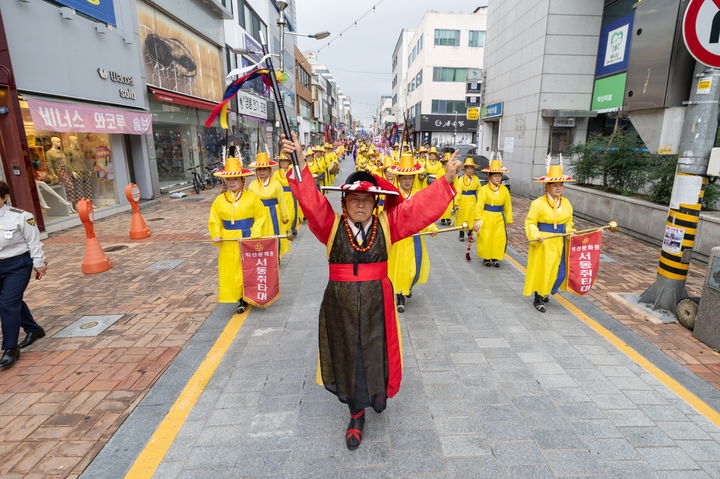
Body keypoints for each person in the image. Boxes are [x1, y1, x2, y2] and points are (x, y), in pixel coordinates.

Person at [282, 132, 461, 450]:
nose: (360, 204)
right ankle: (355, 413)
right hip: (341, 304)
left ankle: (378, 393)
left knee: (375, 349)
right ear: (344, 202)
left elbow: (419, 208)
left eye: (367, 199)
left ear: (376, 203)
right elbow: (310, 200)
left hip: (378, 301)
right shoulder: (331, 225)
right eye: (354, 199)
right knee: (349, 353)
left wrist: (446, 180)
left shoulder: (389, 224)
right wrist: (297, 161)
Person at [208, 158, 267, 314]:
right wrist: (216, 234)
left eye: (235, 179)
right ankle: (238, 296)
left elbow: (261, 216)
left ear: (242, 180)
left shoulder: (252, 198)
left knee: (248, 269)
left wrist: (256, 232)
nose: (232, 182)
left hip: (247, 238)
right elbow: (214, 219)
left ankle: (246, 297)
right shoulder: (219, 200)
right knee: (232, 269)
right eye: (229, 179)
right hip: (228, 240)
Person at [0, 181, 48, 369]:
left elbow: (34, 241)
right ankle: (34, 329)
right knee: (9, 301)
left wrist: (39, 263)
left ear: (5, 198)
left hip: (17, 265)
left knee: (6, 304)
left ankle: (10, 348)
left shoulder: (21, 217)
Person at [387, 153, 439, 313]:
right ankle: (400, 295)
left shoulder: (418, 194)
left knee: (413, 266)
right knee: (398, 266)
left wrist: (431, 228)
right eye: (404, 178)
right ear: (399, 178)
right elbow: (387, 214)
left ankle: (407, 287)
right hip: (398, 237)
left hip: (414, 236)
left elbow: (424, 214)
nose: (408, 181)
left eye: (410, 178)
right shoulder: (393, 194)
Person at [524, 159, 575, 313]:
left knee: (557, 271)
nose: (559, 188)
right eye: (555, 185)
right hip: (543, 242)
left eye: (561, 185)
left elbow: (569, 222)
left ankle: (546, 290)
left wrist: (569, 230)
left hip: (559, 241)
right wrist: (535, 235)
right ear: (548, 186)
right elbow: (530, 222)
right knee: (542, 269)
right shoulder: (538, 203)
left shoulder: (566, 203)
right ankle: (538, 297)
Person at [473, 154, 513, 267]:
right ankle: (486, 257)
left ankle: (496, 257)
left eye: (499, 176)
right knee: (486, 237)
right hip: (486, 216)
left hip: (499, 217)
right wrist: (478, 219)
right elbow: (479, 205)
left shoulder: (504, 190)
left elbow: (508, 206)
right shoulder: (484, 189)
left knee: (498, 237)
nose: (497, 178)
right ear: (490, 177)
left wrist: (508, 219)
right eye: (495, 176)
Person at [248, 152, 290, 257]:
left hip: (273, 214)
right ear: (256, 171)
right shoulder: (252, 185)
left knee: (274, 235)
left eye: (265, 169)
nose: (262, 172)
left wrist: (284, 216)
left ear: (269, 170)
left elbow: (282, 201)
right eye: (260, 169)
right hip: (257, 216)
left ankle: (276, 256)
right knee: (260, 236)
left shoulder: (276, 184)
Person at [272, 154, 302, 234]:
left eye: (285, 160)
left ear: (289, 161)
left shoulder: (293, 170)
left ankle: (291, 228)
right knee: (282, 212)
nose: (283, 163)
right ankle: (285, 229)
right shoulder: (276, 173)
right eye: (281, 161)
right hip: (281, 196)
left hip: (291, 194)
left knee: (292, 212)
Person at [455, 157, 481, 241]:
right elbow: (458, 192)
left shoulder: (476, 179)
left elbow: (480, 191)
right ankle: (461, 234)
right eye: (468, 168)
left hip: (473, 201)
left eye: (471, 168)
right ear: (465, 169)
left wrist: (481, 202)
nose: (470, 170)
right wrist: (456, 203)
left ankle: (470, 234)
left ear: (473, 169)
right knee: (462, 218)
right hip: (463, 201)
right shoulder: (461, 179)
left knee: (471, 218)